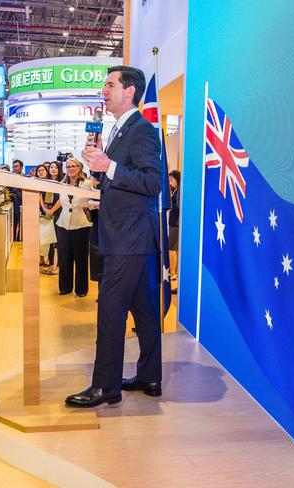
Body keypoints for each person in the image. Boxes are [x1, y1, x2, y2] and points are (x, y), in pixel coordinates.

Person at [66, 66, 163, 408]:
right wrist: (100, 180)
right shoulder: (119, 131)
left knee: (110, 310)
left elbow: (154, 184)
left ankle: (105, 386)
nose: (103, 90)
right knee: (145, 311)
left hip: (130, 238)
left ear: (130, 91)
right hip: (127, 235)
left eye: (110, 85)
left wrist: (108, 166)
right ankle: (150, 375)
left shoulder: (142, 131)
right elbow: (123, 182)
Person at [53, 158, 92, 296]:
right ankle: (65, 287)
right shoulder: (62, 184)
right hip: (63, 224)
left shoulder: (87, 183)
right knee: (64, 258)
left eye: (73, 166)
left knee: (81, 259)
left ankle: (81, 289)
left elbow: (92, 202)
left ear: (79, 168)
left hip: (81, 224)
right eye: (68, 166)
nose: (71, 168)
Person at [168, 170, 181, 286]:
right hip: (174, 222)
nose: (171, 182)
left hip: (176, 223)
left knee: (171, 248)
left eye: (172, 180)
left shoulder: (179, 192)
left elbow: (179, 206)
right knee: (175, 249)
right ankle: (175, 272)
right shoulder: (175, 191)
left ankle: (172, 273)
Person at [9, 160, 23, 241]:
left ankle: (21, 241)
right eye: (13, 166)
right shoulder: (9, 178)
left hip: (22, 206)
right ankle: (14, 241)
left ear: (21, 167)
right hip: (12, 207)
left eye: (16, 166)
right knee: (13, 226)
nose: (14, 168)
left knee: (22, 226)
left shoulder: (26, 178)